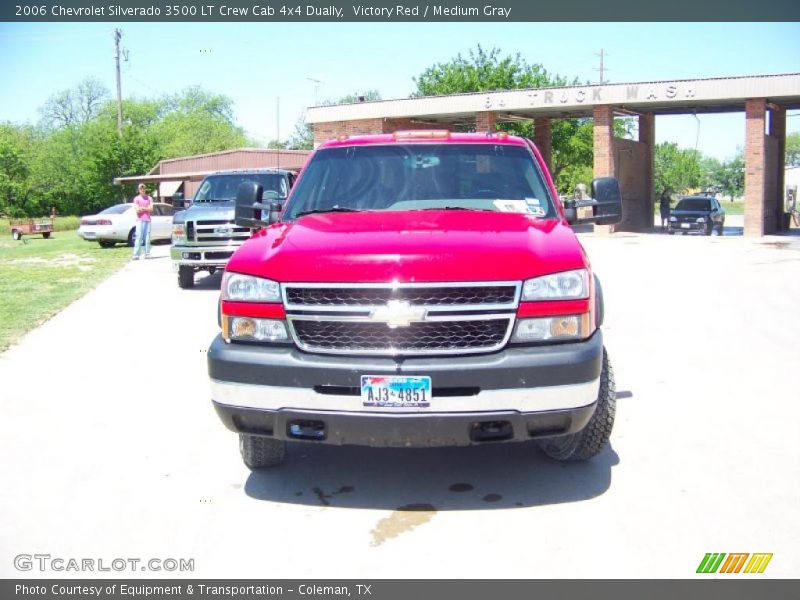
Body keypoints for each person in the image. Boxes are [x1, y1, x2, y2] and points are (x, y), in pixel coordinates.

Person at [132, 183, 154, 259]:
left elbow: (151, 209)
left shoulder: (149, 198)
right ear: (139, 190)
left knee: (147, 237)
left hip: (147, 220)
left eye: (143, 188)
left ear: (145, 189)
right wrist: (146, 208)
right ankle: (136, 255)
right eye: (141, 188)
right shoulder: (136, 199)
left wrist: (142, 208)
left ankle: (147, 254)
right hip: (140, 220)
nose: (142, 190)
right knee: (138, 237)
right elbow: (137, 210)